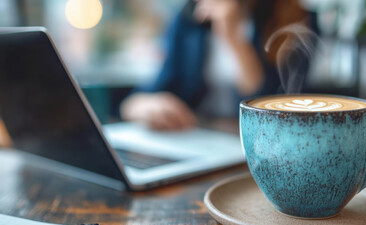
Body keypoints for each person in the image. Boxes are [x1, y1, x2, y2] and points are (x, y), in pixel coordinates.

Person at [120, 0, 317, 130]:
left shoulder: (294, 20)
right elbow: (142, 96)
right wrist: (143, 105)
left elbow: (273, 106)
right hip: (197, 140)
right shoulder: (189, 21)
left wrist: (232, 37)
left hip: (262, 148)